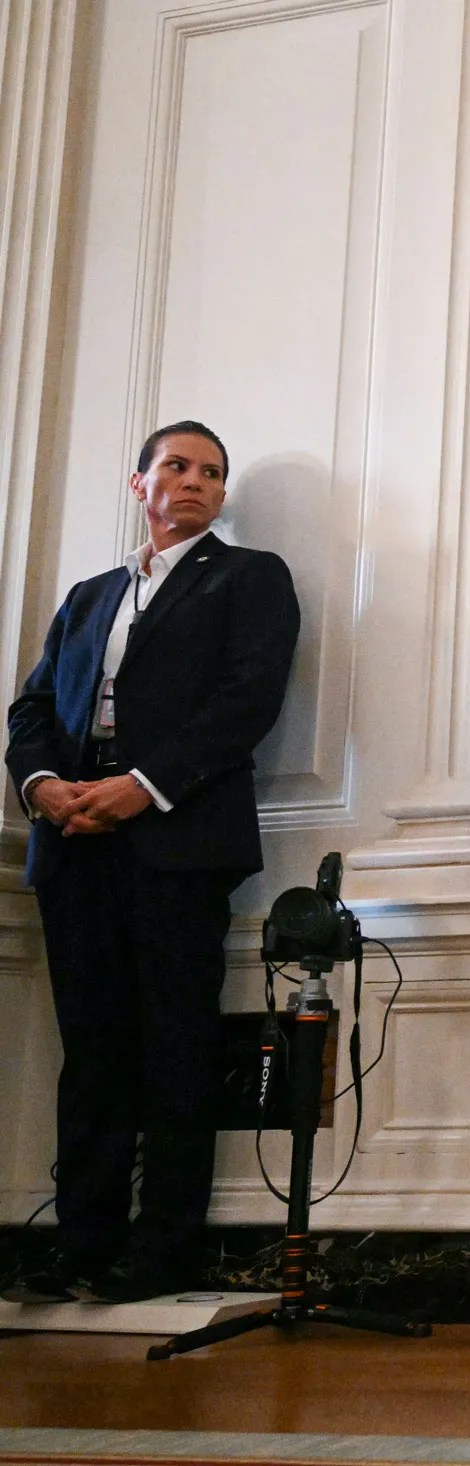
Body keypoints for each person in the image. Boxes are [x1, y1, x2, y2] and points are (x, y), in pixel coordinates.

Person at [3, 421, 300, 1304]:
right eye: (178, 466)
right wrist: (46, 785)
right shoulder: (90, 594)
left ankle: (163, 1249)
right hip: (74, 843)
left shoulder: (250, 578)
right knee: (90, 1050)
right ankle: (81, 1243)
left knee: (175, 1044)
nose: (198, 482)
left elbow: (248, 700)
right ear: (141, 483)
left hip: (177, 844)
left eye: (213, 472)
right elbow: (30, 709)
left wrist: (144, 784)